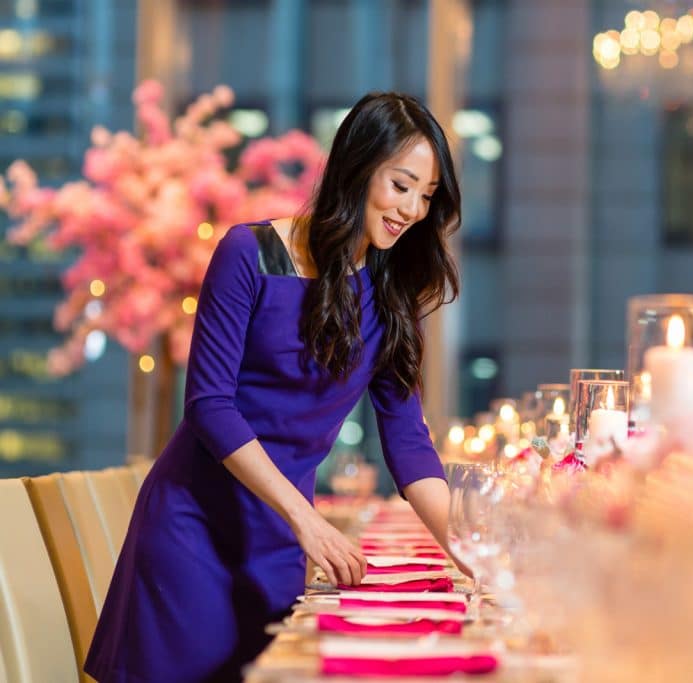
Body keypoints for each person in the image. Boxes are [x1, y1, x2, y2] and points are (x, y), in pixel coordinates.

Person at [85, 92, 462, 683]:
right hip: (194, 531)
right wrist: (305, 519)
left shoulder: (392, 295)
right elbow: (208, 405)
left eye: (427, 195)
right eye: (401, 185)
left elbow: (409, 443)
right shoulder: (250, 253)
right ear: (358, 167)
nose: (413, 208)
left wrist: (471, 548)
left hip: (280, 544)